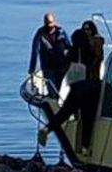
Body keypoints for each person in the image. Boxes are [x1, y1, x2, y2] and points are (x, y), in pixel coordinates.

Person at [39, 20, 105, 152]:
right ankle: (85, 147)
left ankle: (47, 128)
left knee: (64, 112)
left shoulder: (73, 51)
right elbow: (97, 63)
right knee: (88, 119)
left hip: (75, 86)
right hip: (90, 87)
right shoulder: (90, 51)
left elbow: (64, 64)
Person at [28, 12, 71, 91]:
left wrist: (71, 62)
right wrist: (32, 69)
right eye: (47, 23)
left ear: (54, 22)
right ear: (44, 22)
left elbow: (69, 46)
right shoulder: (40, 34)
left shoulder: (61, 32)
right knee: (52, 88)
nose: (49, 25)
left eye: (51, 23)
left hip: (61, 65)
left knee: (61, 88)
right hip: (48, 66)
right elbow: (35, 51)